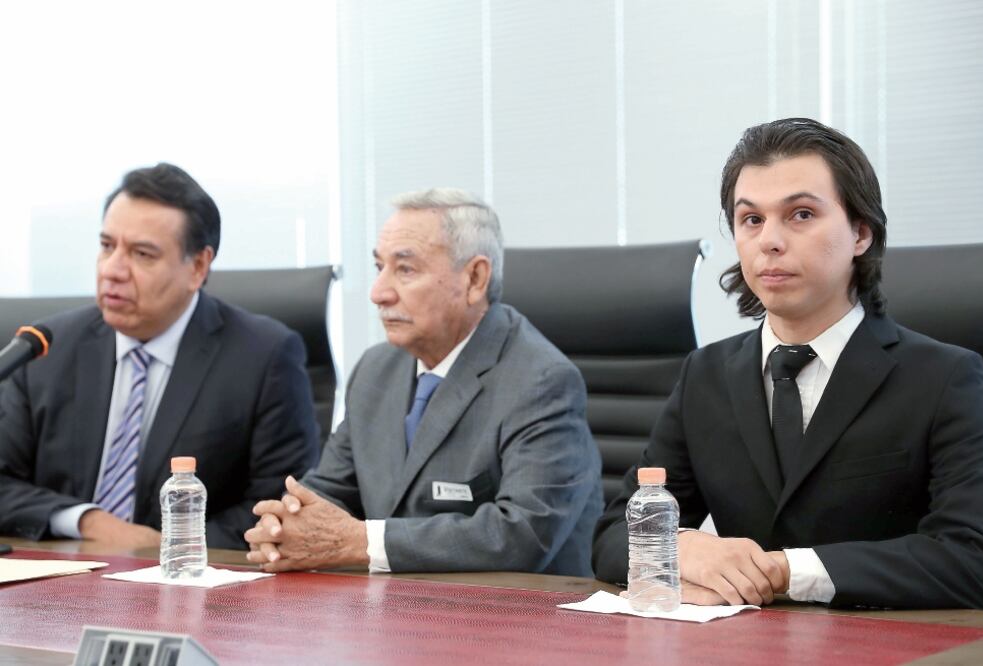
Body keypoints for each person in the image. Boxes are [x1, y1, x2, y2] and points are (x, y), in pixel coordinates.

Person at [592, 118, 983, 609]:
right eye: (751, 220)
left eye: (801, 214)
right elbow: (613, 534)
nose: (770, 241)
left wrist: (788, 570)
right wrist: (682, 550)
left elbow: (975, 561)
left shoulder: (943, 378)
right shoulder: (705, 375)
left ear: (861, 233)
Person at [245, 188, 603, 575]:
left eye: (405, 269)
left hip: (511, 618)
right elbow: (331, 489)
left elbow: (522, 534)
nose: (378, 293)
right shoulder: (375, 369)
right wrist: (286, 521)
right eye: (379, 267)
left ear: (474, 279)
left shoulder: (542, 380)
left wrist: (361, 542)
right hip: (393, 610)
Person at [0, 163, 320, 550]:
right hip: (57, 586)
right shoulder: (46, 348)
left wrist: (162, 545)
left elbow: (276, 509)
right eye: (106, 246)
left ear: (198, 267)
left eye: (142, 254)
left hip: (191, 592)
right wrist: (88, 521)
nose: (113, 270)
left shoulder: (264, 357)